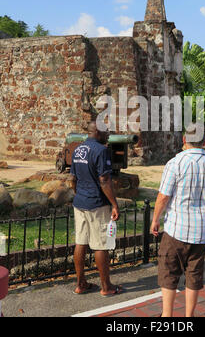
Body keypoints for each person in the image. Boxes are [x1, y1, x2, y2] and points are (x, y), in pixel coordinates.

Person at [151, 129, 205, 317]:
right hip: (200, 231)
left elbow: (163, 196)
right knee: (194, 274)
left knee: (169, 272)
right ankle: (189, 316)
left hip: (177, 227)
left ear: (184, 139)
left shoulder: (175, 163)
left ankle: (167, 316)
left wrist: (155, 219)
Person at [70, 121, 123, 296]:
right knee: (101, 245)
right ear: (98, 132)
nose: (108, 134)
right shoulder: (101, 151)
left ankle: (81, 284)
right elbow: (104, 180)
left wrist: (80, 194)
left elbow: (73, 179)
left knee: (81, 242)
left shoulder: (78, 149)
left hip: (80, 203)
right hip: (97, 204)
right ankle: (106, 287)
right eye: (106, 131)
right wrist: (114, 204)